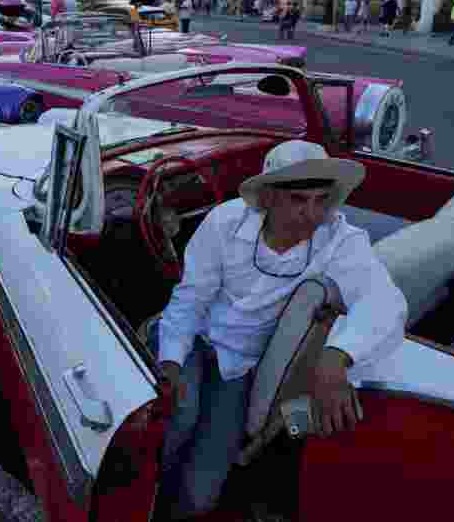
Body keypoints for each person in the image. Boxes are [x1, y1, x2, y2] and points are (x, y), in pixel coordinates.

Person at [149, 140, 408, 520]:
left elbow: (386, 301)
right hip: (191, 340)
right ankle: (141, 495)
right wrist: (170, 360)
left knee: (200, 500)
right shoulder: (224, 222)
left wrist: (336, 359)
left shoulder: (340, 239)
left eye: (322, 200)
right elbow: (190, 300)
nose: (312, 213)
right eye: (299, 200)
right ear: (268, 197)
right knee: (179, 414)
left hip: (240, 369)